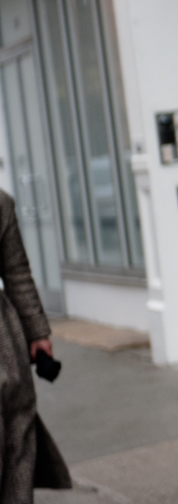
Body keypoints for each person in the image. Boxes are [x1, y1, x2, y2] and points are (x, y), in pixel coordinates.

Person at [0, 188, 71, 503]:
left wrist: (37, 333)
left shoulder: (0, 203)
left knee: (17, 430)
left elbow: (16, 272)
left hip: (4, 346)